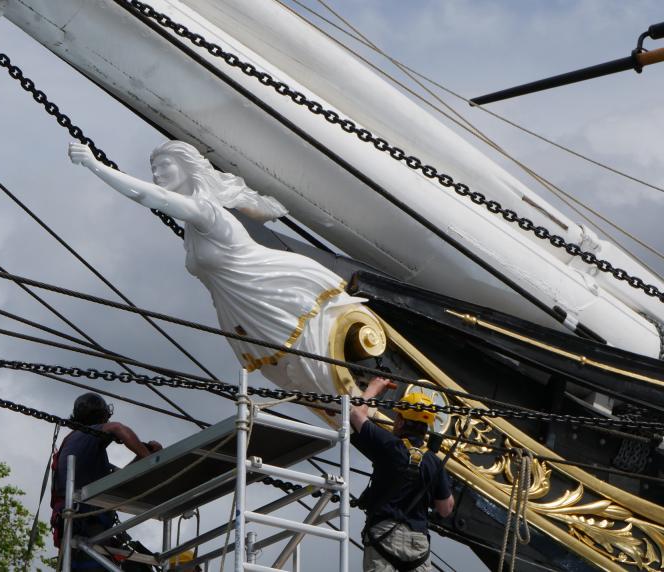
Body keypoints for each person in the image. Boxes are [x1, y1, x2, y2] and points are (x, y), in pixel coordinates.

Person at [68, 140, 372, 398]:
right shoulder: (191, 226)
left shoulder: (204, 209)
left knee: (313, 361)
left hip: (270, 286)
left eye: (164, 166)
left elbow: (152, 197)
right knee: (300, 375)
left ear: (186, 168)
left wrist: (96, 165)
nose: (157, 174)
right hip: (242, 305)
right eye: (154, 169)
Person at [350, 377, 454, 572]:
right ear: (427, 428)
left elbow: (356, 414)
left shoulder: (389, 445)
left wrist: (373, 388)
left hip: (384, 535)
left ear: (400, 420)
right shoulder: (434, 462)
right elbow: (445, 509)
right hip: (418, 542)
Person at [51, 392, 162, 570]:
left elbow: (116, 481)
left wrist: (143, 455)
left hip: (80, 526)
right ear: (104, 416)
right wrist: (149, 457)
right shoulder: (90, 434)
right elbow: (118, 428)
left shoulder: (78, 446)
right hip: (86, 522)